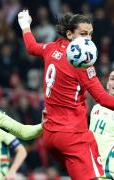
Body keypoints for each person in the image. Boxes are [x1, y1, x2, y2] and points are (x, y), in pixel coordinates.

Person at [18, 10, 114, 180]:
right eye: (83, 34)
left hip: (50, 135)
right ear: (69, 34)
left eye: (90, 34)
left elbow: (31, 47)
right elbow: (103, 98)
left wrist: (25, 25)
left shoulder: (51, 48)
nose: (88, 39)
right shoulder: (82, 63)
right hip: (72, 136)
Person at [89, 70, 114, 179]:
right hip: (92, 171)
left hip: (109, 174)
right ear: (107, 84)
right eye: (113, 79)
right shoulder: (96, 108)